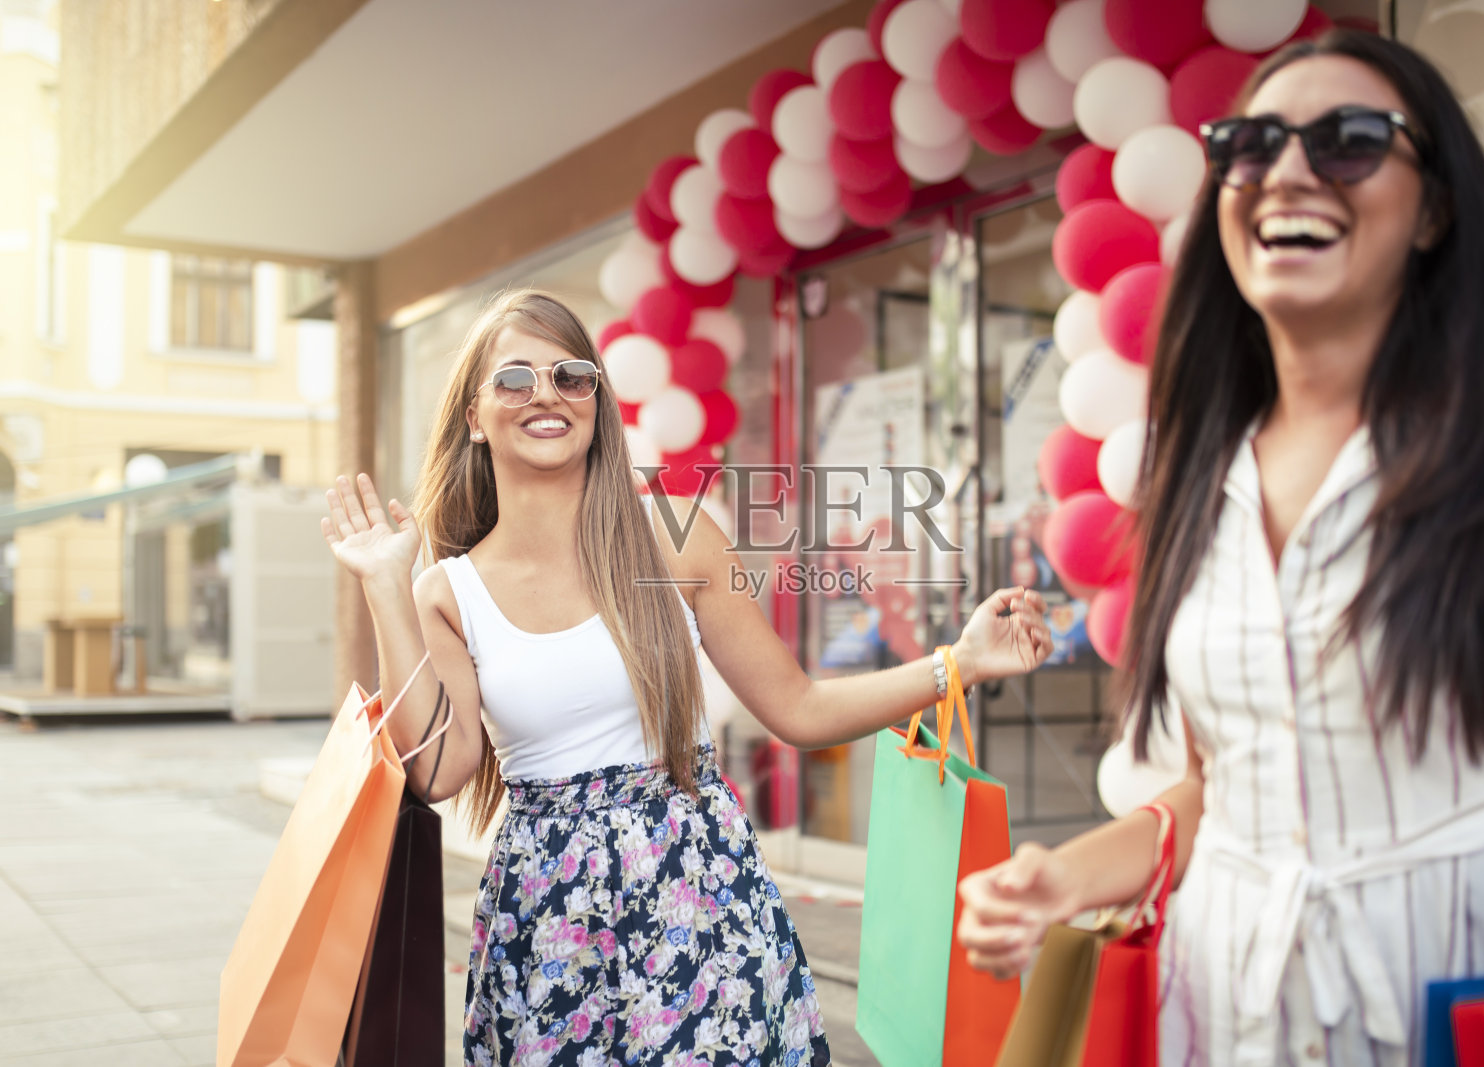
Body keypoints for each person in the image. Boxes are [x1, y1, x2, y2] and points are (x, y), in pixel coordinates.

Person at [955, 28, 1484, 1067]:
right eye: (1248, 146)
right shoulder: (1194, 467)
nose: (1287, 171)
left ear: (1432, 207)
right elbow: (1231, 784)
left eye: (1347, 140)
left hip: (1470, 1001)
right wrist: (1068, 876)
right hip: (1226, 1010)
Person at [320, 288, 1052, 1066]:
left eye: (572, 376)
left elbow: (799, 705)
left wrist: (959, 663)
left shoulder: (680, 541)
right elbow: (436, 769)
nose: (547, 395)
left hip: (701, 896)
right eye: (515, 378)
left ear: (597, 402)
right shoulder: (449, 591)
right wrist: (385, 588)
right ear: (473, 414)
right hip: (550, 922)